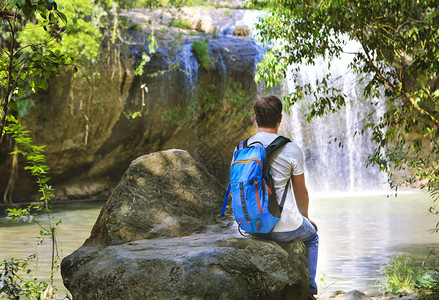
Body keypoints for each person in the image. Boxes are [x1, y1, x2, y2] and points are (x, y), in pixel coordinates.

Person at [245, 94, 319, 299]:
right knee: (313, 237)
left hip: (251, 226)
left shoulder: (242, 148)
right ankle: (309, 291)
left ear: (255, 118)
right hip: (284, 228)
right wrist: (306, 218)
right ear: (280, 119)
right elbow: (301, 193)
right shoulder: (290, 148)